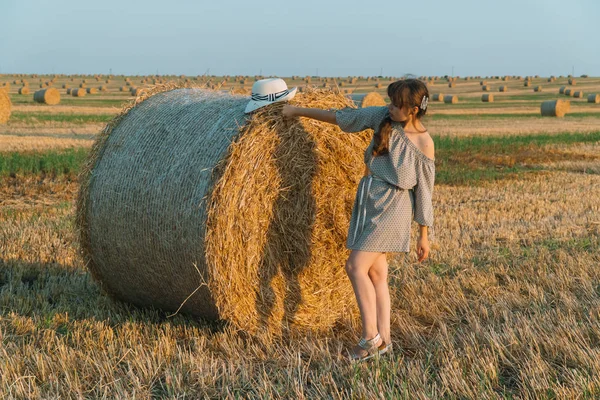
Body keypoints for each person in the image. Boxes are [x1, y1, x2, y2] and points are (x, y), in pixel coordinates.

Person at [282, 78, 435, 361]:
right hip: (368, 201)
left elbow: (424, 192)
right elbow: (343, 117)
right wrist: (297, 111)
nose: (389, 107)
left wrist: (423, 235)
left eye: (395, 104)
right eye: (389, 101)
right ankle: (385, 340)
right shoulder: (381, 117)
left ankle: (369, 338)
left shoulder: (424, 144)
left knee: (354, 266)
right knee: (377, 274)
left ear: (413, 110)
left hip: (393, 209)